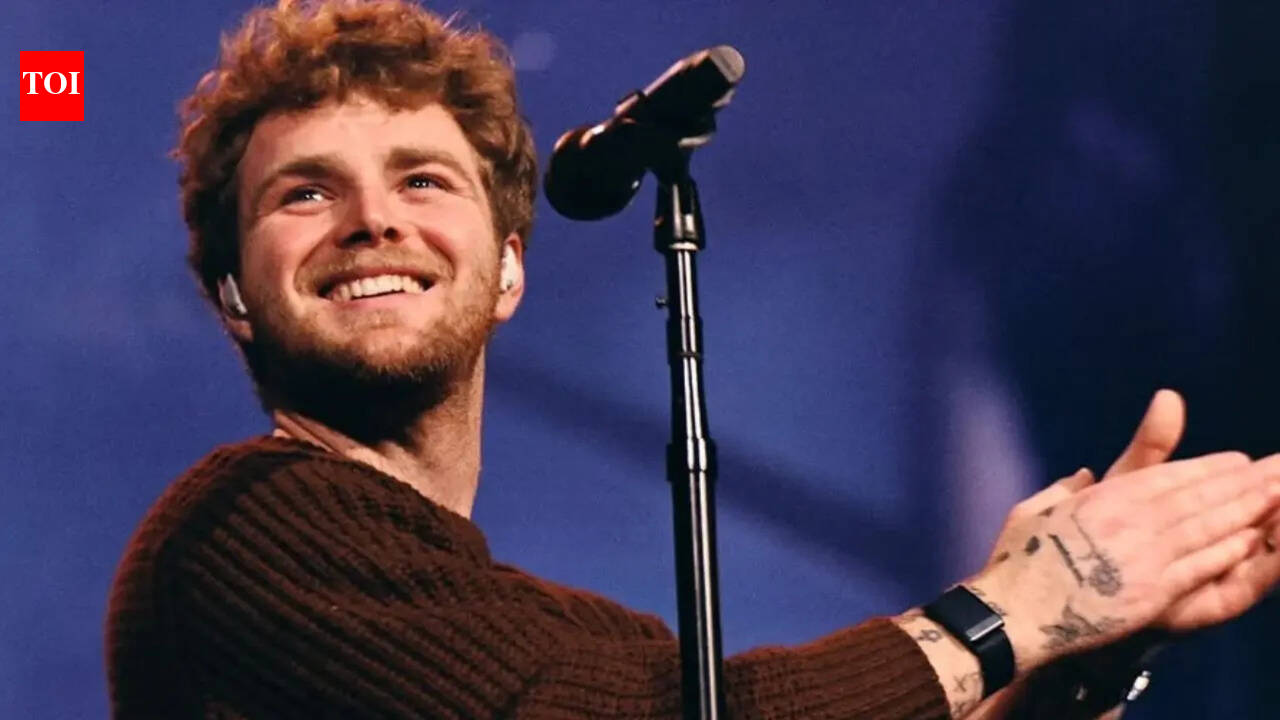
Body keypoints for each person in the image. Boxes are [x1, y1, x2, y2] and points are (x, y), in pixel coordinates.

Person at [104, 1, 1280, 718]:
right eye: (305, 194)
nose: (374, 220)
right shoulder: (237, 532)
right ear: (232, 295)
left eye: (421, 179)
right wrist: (1013, 606)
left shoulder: (570, 635)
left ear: (507, 269)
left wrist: (1075, 656)